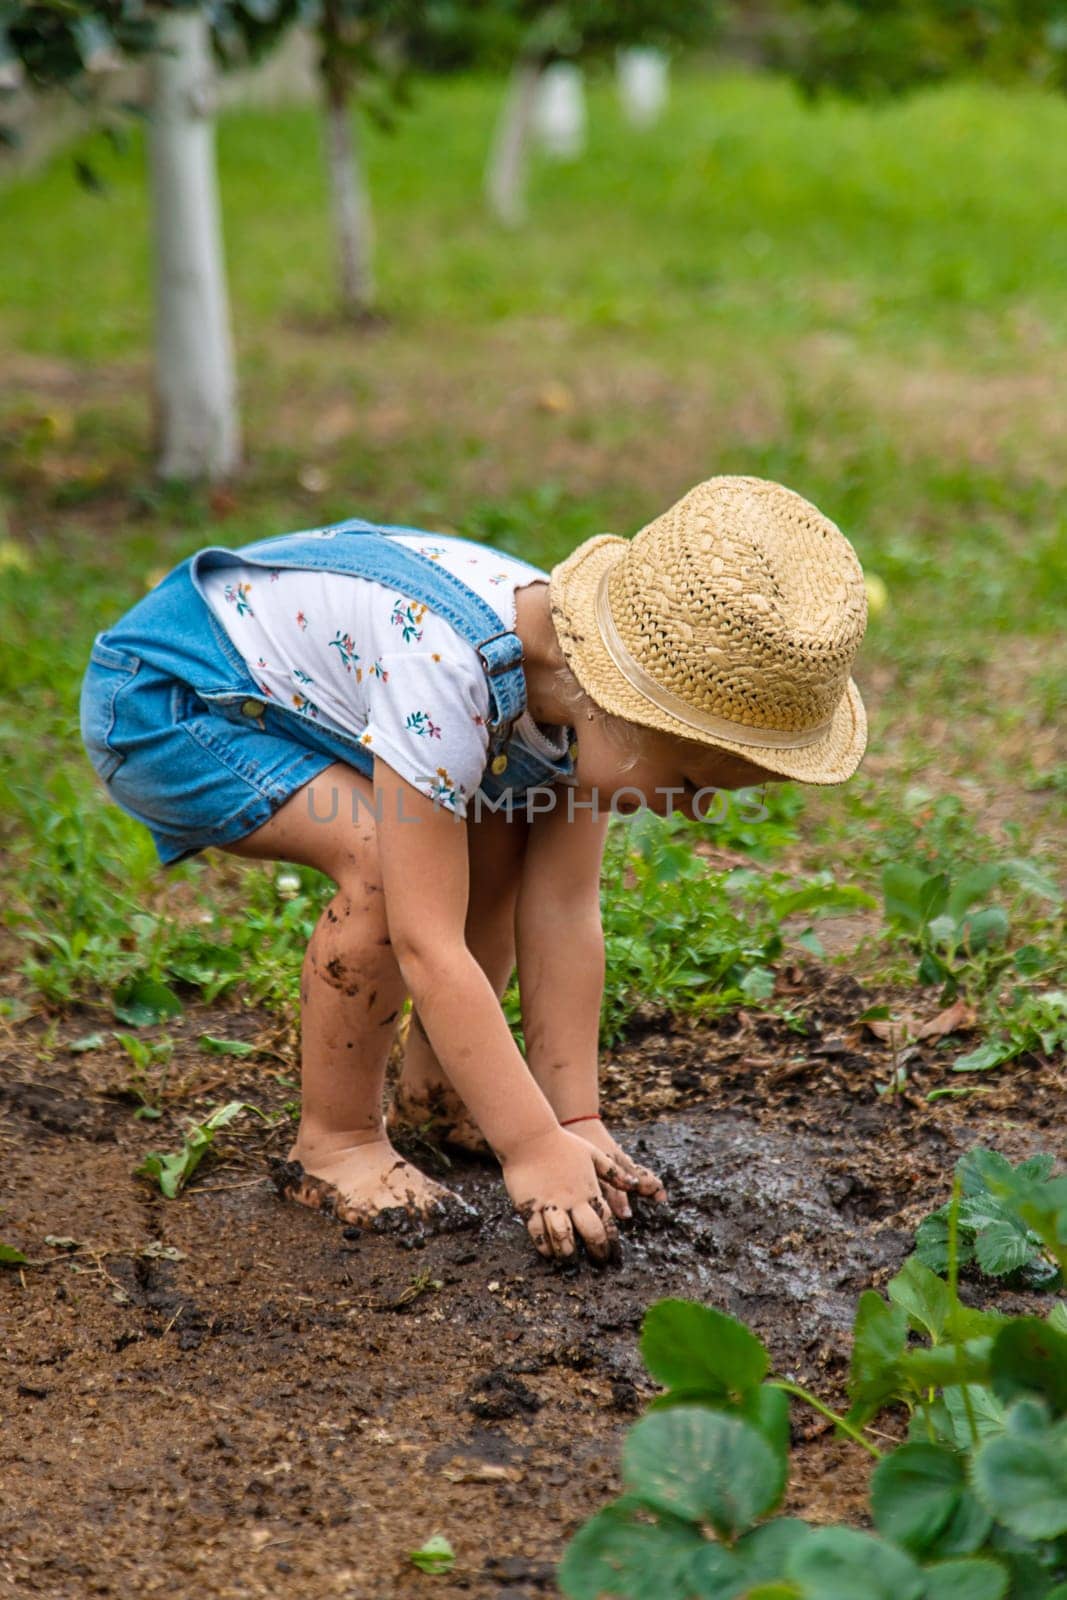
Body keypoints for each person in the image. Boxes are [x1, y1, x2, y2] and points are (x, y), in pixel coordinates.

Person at [79, 476, 868, 1264]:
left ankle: (443, 1093)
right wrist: (528, 1148)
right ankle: (336, 1143)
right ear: (625, 709)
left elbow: (560, 912)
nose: (692, 811)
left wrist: (571, 1120)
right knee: (387, 880)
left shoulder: (579, 688)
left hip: (298, 692)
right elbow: (427, 943)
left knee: (500, 848)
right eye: (693, 785)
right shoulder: (443, 667)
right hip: (173, 700)